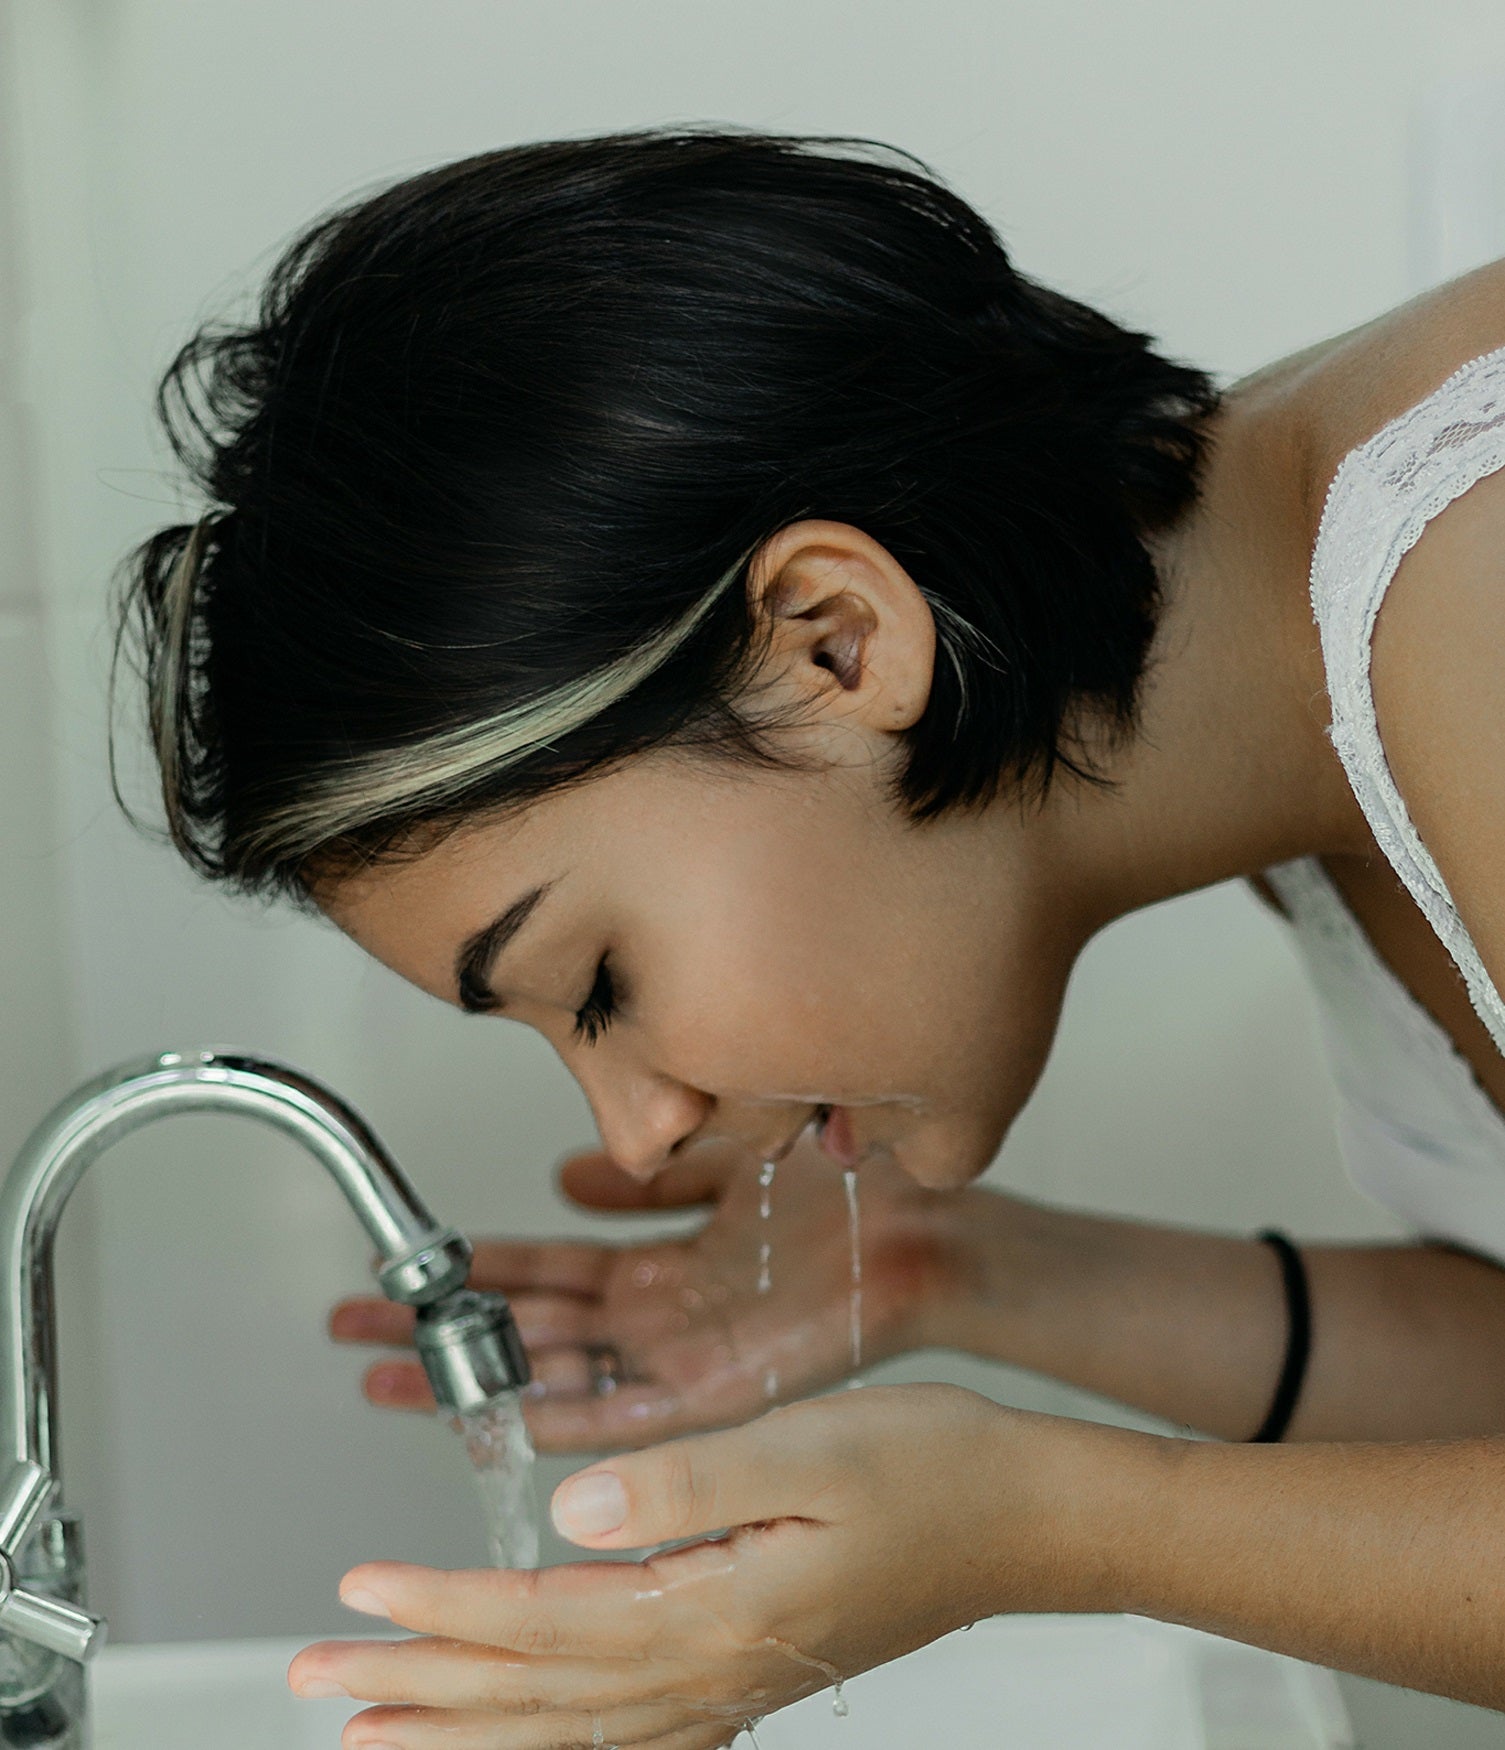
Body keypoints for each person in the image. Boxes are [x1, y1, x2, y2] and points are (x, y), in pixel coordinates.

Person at [114, 123, 1505, 1746]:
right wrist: (956, 1272)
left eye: (600, 983)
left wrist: (1057, 1519)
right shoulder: (1302, 699)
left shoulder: (1472, 572)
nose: (640, 1134)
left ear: (835, 643)